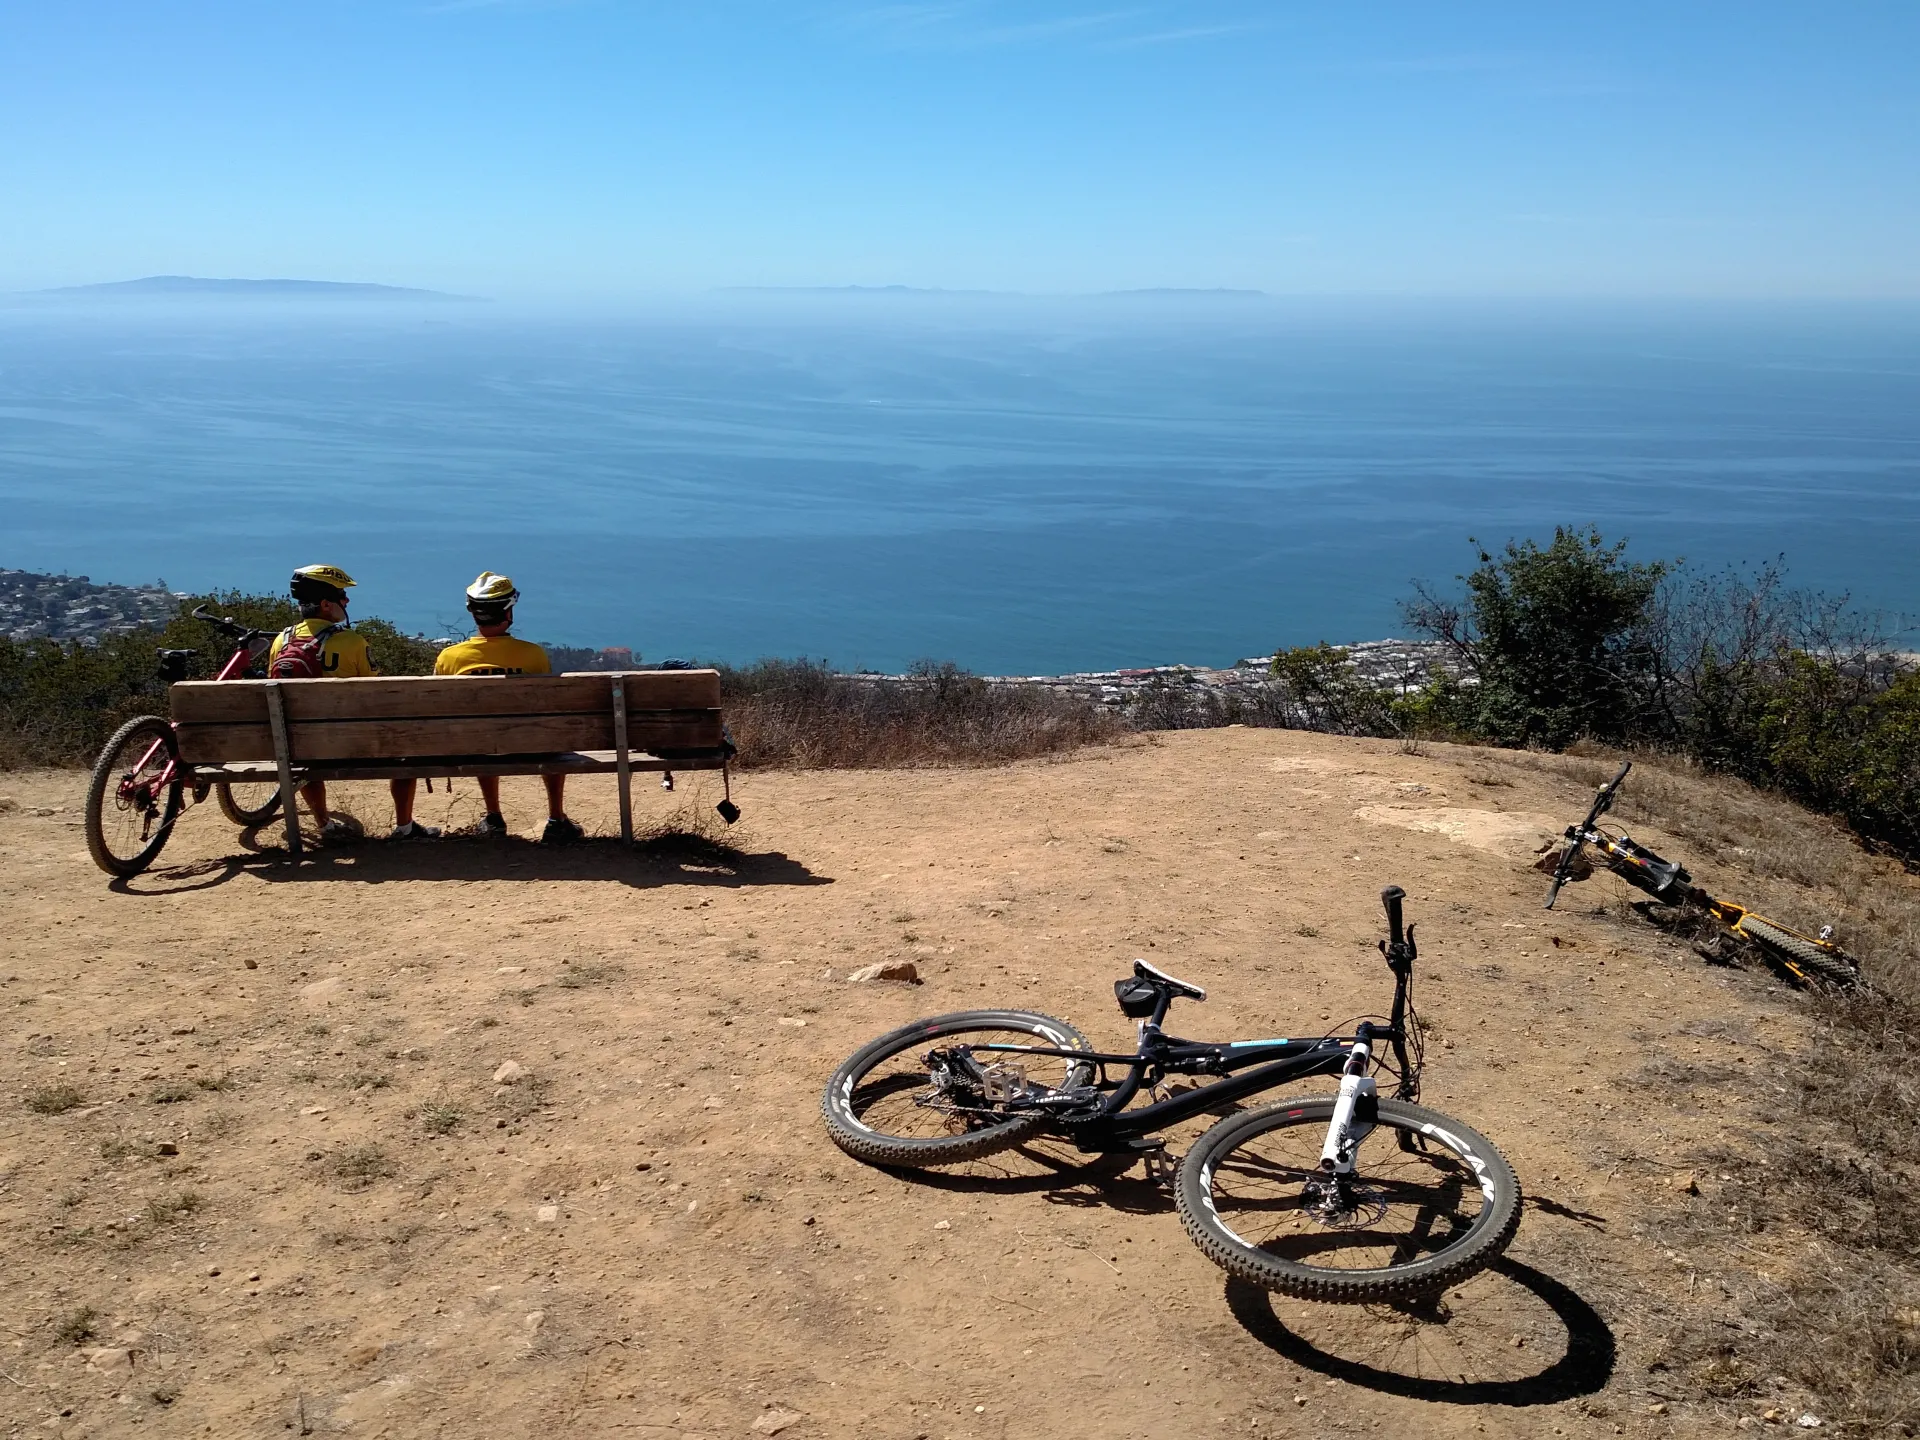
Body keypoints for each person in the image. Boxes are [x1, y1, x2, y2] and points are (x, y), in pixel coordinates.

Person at [269, 564, 439, 843]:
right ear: (325, 604)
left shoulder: (280, 641)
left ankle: (324, 825)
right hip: (355, 746)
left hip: (298, 747)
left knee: (302, 747)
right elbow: (374, 691)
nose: (346, 601)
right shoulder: (351, 642)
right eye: (341, 596)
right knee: (408, 749)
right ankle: (405, 828)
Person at [433, 572, 584, 843]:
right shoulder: (532, 655)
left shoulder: (449, 658)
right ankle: (556, 817)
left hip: (473, 747)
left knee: (481, 732)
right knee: (551, 736)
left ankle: (493, 816)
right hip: (529, 744)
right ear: (508, 613)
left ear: (474, 614)